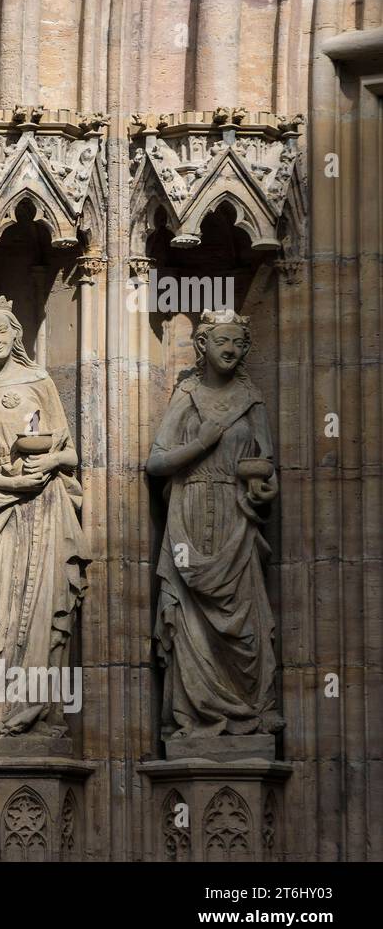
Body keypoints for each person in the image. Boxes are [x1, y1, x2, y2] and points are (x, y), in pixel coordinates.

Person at [0, 296, 88, 741]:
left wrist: (47, 466)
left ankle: (39, 711)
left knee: (44, 605)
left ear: (16, 334)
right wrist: (10, 485)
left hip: (47, 507)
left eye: (2, 332)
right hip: (0, 510)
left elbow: (68, 451)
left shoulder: (39, 380)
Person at [147, 309, 283, 741]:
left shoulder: (251, 400)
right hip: (188, 513)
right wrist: (202, 443)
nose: (230, 349)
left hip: (237, 521)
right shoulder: (186, 395)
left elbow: (267, 465)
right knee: (189, 620)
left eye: (237, 343)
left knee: (245, 625)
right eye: (222, 341)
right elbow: (156, 462)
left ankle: (247, 713)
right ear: (202, 346)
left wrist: (266, 489)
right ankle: (196, 715)